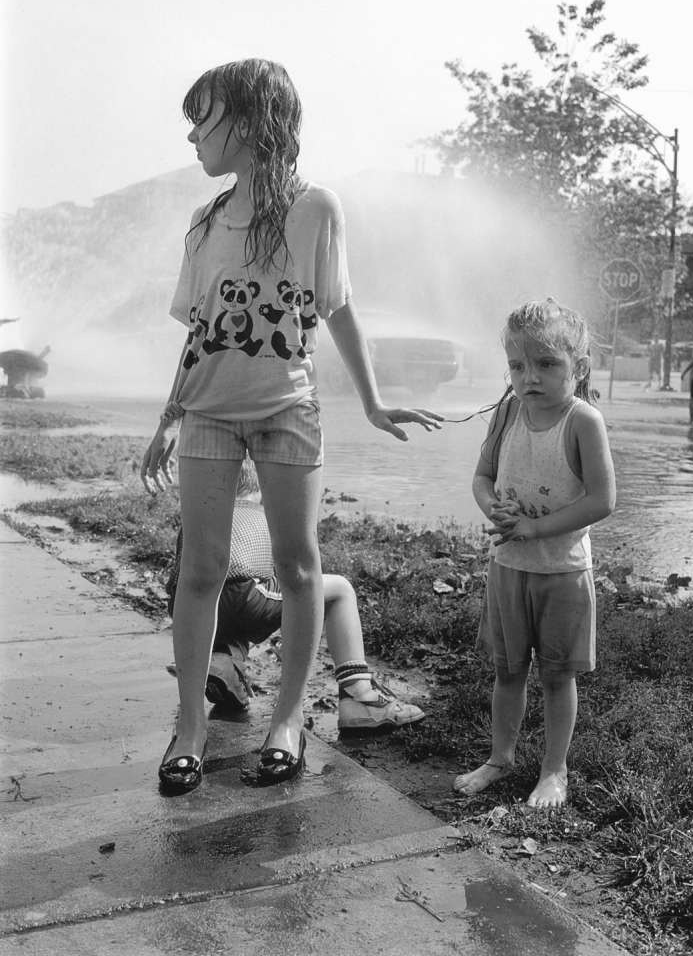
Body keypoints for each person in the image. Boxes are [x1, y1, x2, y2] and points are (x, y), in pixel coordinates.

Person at [141, 59, 441, 795]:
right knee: (202, 570)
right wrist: (167, 416)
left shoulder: (317, 210)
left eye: (202, 118)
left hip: (287, 413)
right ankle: (190, 727)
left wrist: (371, 402)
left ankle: (285, 722)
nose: (190, 134)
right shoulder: (203, 220)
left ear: (247, 124)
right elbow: (201, 333)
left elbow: (337, 309)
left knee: (298, 567)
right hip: (209, 412)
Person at [453, 299, 616, 809]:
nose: (530, 377)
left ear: (579, 367)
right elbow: (482, 478)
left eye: (547, 364)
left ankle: (553, 770)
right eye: (518, 365)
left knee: (555, 676)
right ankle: (500, 759)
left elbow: (602, 500)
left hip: (562, 573)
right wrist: (494, 511)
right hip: (509, 569)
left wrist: (536, 526)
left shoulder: (583, 421)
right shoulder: (506, 413)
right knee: (507, 671)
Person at [165, 459, 425, 734]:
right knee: (340, 590)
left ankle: (223, 666)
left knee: (226, 621)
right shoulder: (264, 513)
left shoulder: (199, 515)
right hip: (246, 595)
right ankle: (359, 695)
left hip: (189, 607)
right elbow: (290, 577)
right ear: (263, 484)